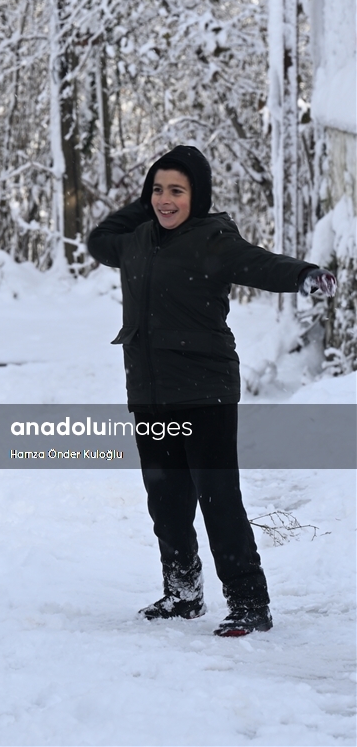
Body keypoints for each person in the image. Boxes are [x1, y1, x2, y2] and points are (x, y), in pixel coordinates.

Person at [87, 146, 337, 637]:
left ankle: (249, 602)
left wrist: (304, 274)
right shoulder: (136, 240)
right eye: (157, 190)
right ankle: (183, 592)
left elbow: (260, 264)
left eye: (176, 191)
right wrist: (144, 205)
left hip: (205, 392)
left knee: (218, 499)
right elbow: (99, 241)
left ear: (197, 196)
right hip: (150, 391)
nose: (165, 200)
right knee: (166, 500)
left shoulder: (213, 240)